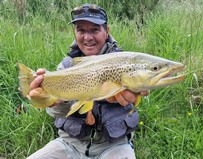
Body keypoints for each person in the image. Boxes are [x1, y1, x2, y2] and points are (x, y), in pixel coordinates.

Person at [27, 4, 149, 159]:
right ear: (75, 33)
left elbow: (142, 88)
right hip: (69, 144)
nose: (88, 37)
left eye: (94, 30)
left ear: (106, 32)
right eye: (81, 30)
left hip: (113, 146)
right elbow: (54, 113)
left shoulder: (124, 63)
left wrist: (141, 88)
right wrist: (49, 101)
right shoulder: (66, 67)